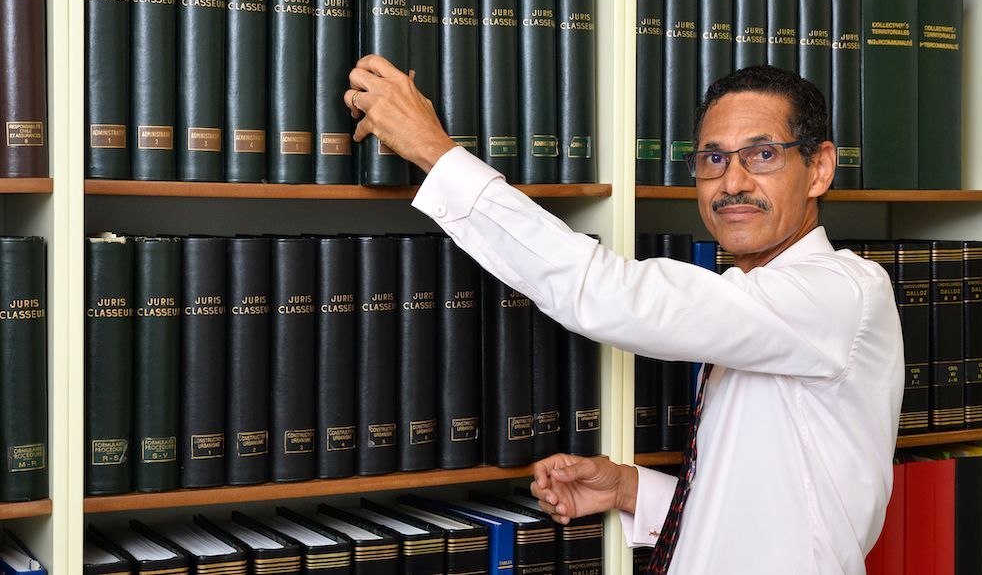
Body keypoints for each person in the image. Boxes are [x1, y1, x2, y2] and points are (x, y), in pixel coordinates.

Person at [343, 58, 903, 574]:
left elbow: (612, 295)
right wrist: (630, 490)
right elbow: (776, 510)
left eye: (762, 155)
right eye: (714, 158)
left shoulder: (838, 294)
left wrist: (435, 154)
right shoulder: (754, 298)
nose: (732, 183)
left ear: (820, 168)